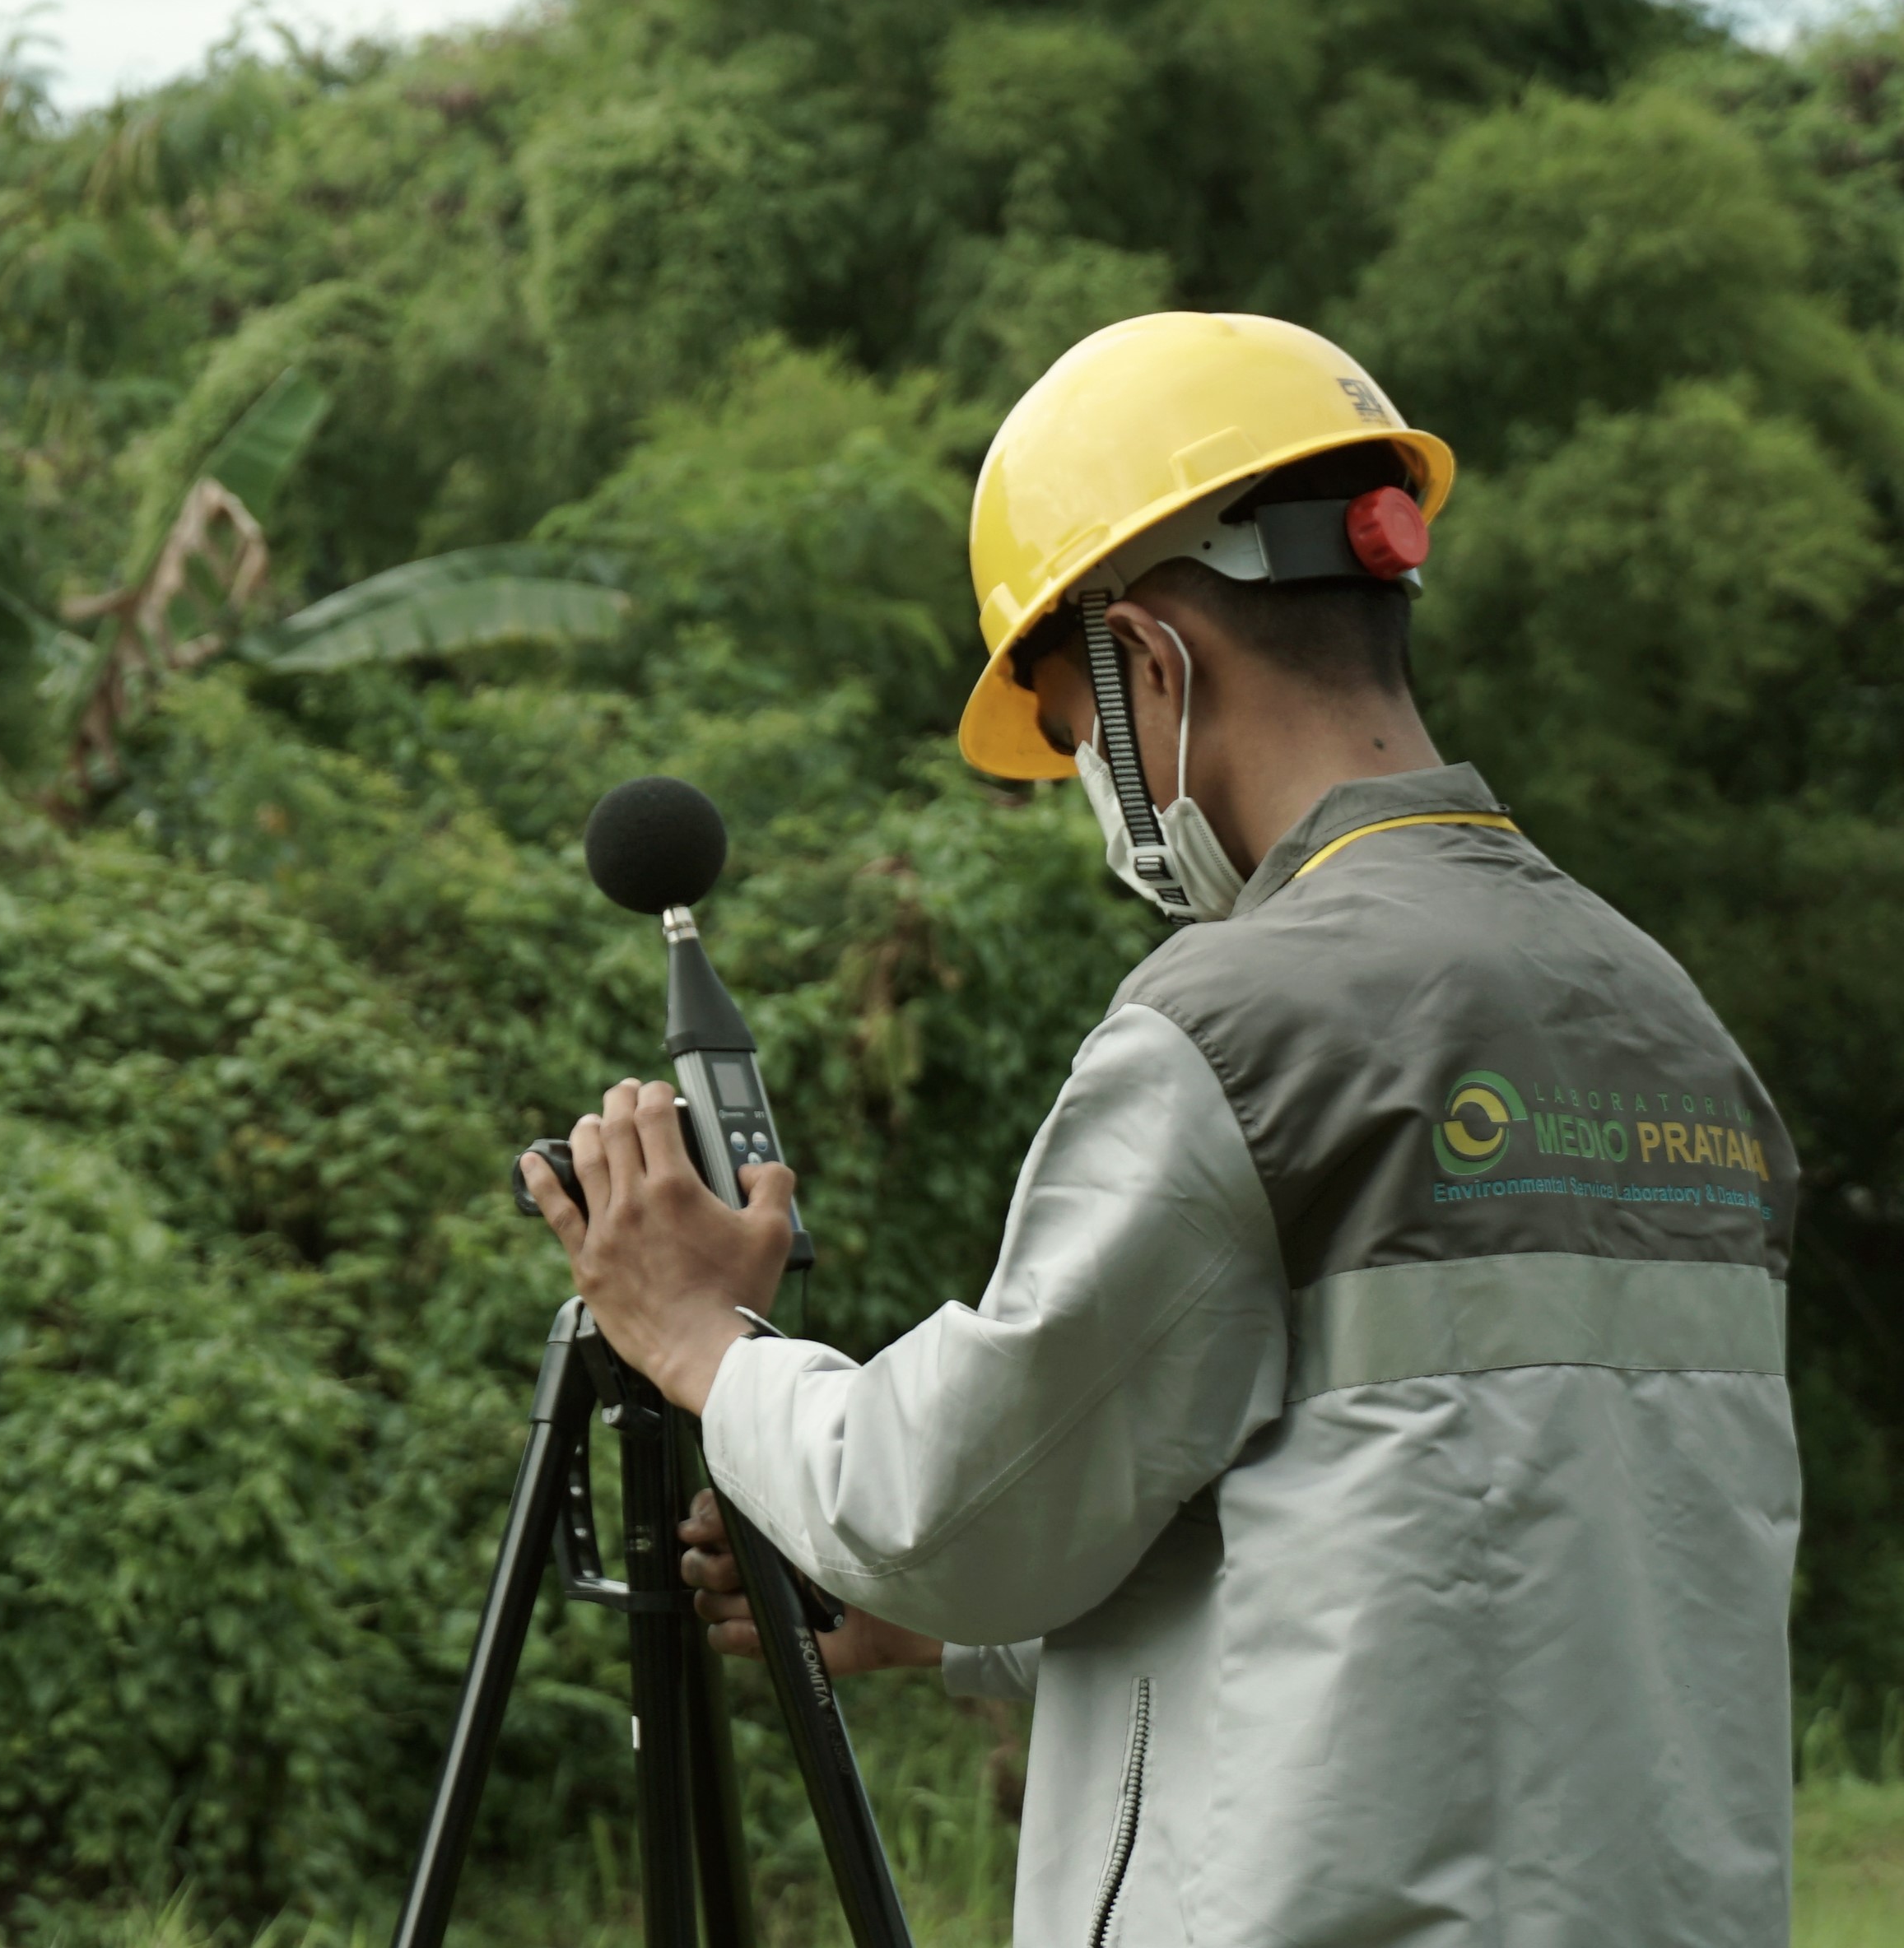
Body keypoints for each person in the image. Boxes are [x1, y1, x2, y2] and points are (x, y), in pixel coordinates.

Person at [520, 311, 1800, 1948]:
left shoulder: (1246, 1024)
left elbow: (934, 1506)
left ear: (1145, 663)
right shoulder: (1671, 1022)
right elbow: (1453, 1533)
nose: (1088, 784)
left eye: (1071, 735)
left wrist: (702, 1338)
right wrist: (957, 1636)